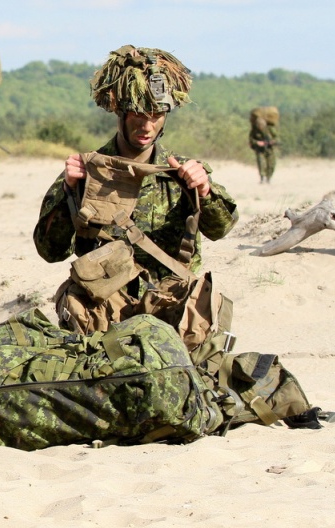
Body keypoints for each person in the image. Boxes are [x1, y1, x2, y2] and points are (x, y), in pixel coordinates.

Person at [33, 45, 239, 333]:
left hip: (169, 312)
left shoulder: (179, 172)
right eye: (138, 114)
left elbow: (221, 229)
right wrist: (70, 191)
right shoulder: (87, 171)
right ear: (120, 112)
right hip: (104, 311)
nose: (147, 124)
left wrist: (204, 191)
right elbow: (50, 251)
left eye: (156, 114)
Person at [249, 108, 279, 183]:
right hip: (260, 149)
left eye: (261, 125)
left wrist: (272, 142)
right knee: (261, 163)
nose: (260, 127)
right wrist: (257, 143)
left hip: (269, 149)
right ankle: (262, 177)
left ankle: (269, 178)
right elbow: (251, 139)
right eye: (258, 125)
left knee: (271, 164)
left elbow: (276, 138)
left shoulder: (270, 129)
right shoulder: (254, 130)